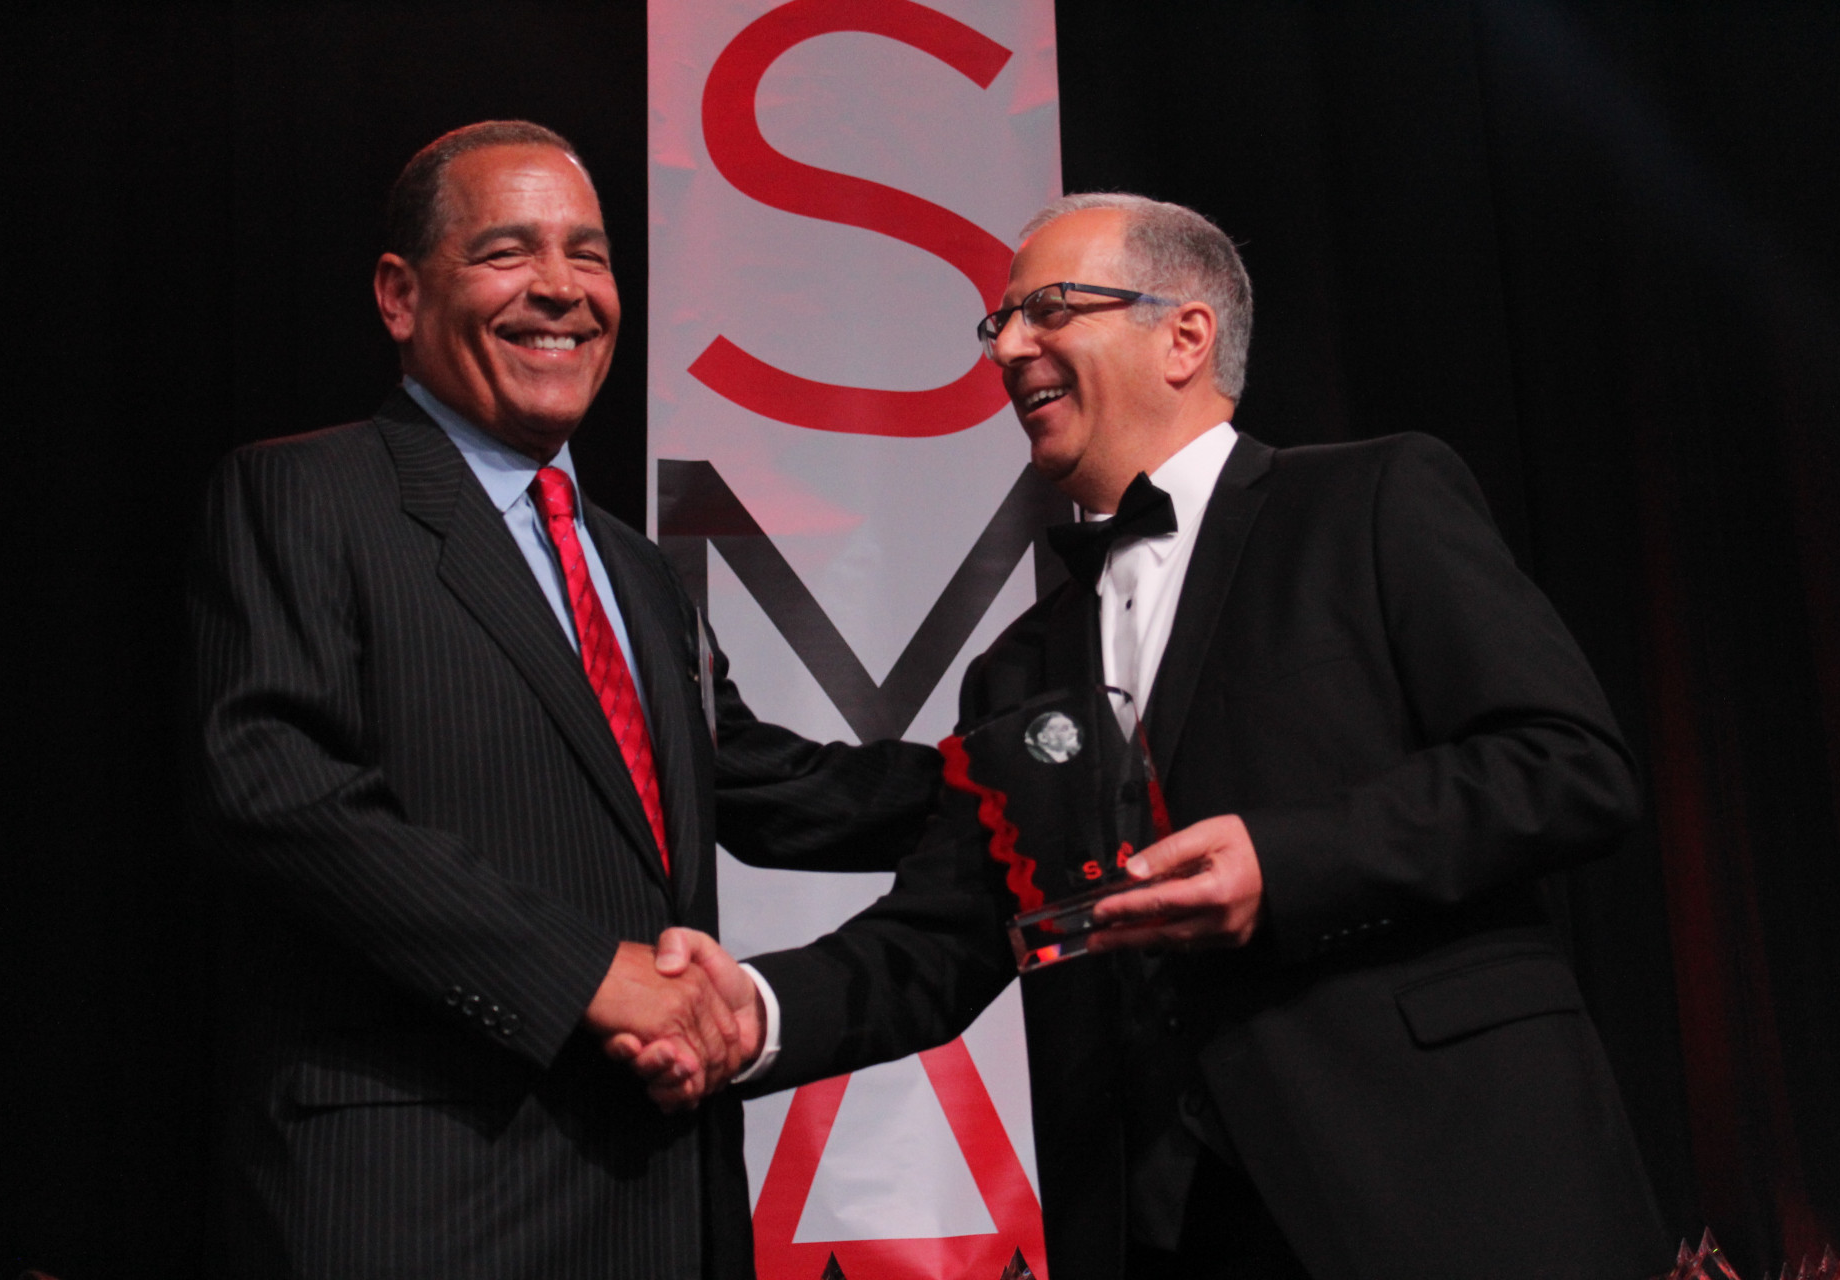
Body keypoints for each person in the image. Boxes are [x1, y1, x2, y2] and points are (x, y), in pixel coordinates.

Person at [644, 194, 1671, 1279]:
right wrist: (742, 1012)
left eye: (1050, 309)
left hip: (1446, 1185)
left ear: (1185, 334)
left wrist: (1287, 860)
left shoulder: (1373, 497)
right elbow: (942, 931)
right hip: (1162, 1225)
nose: (1009, 347)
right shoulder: (1017, 664)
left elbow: (1569, 762)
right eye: (999, 324)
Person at [186, 121, 942, 1280]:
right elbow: (279, 792)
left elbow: (758, 779)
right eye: (508, 251)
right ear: (399, 295)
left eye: (588, 256)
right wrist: (591, 970)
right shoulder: (302, 492)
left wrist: (1016, 781)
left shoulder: (635, 566)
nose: (561, 290)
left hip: (664, 1195)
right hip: (430, 1200)